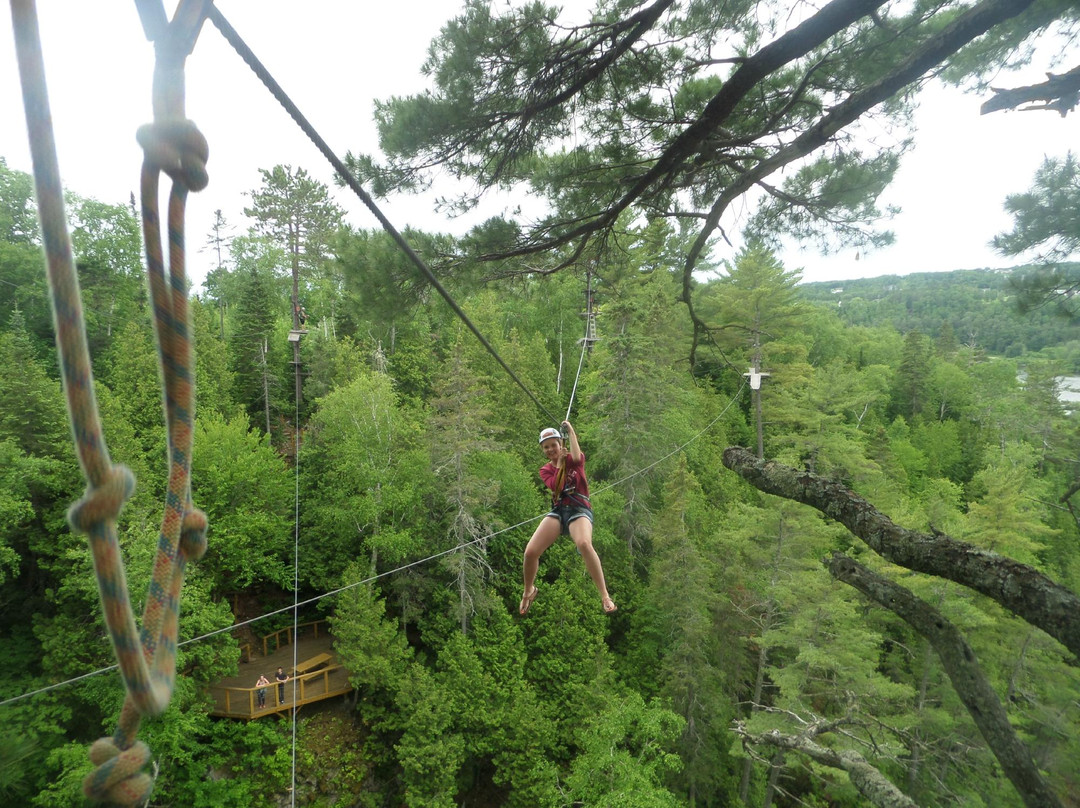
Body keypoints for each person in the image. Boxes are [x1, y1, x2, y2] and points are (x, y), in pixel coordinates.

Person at [520, 419, 616, 615]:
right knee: (530, 552)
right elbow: (557, 486)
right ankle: (528, 590)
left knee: (584, 544)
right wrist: (559, 464)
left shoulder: (573, 460)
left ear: (560, 444)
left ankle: (605, 596)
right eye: (546, 447)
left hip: (578, 509)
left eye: (553, 445)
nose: (550, 450)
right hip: (559, 511)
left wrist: (570, 432)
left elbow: (577, 457)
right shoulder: (545, 470)